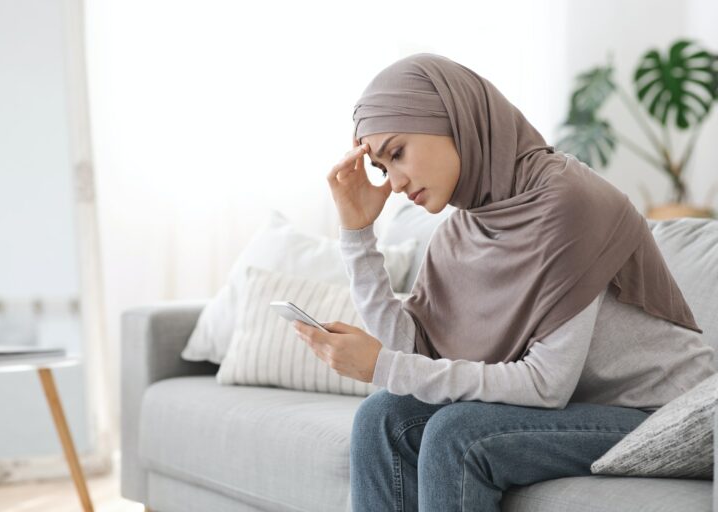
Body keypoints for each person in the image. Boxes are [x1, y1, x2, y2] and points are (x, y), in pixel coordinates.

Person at [292, 53, 716, 511]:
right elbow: (409, 355)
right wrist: (357, 237)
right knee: (381, 417)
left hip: (663, 417)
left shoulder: (569, 204)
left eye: (396, 153)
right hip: (586, 407)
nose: (393, 182)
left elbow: (544, 386)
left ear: (453, 119)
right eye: (381, 167)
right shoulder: (464, 229)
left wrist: (382, 366)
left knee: (458, 434)